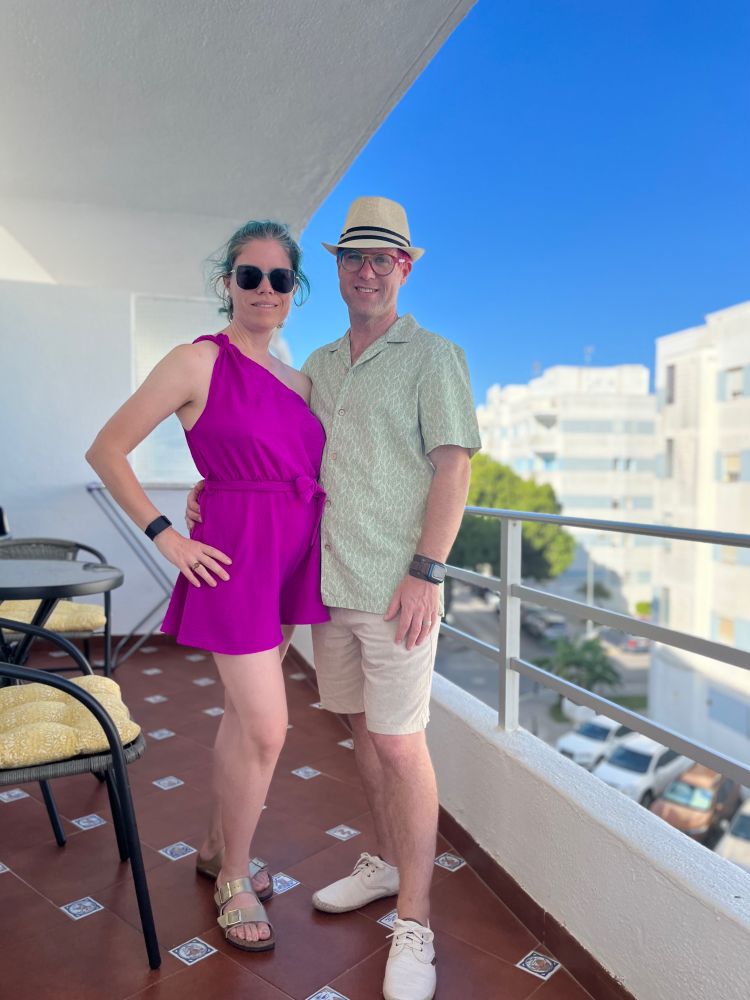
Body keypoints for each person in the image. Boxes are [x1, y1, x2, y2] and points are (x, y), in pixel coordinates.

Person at [189, 197, 481, 1000]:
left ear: (405, 267)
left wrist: (428, 570)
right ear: (340, 270)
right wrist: (203, 494)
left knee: (399, 745)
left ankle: (414, 923)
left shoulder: (436, 357)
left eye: (383, 257)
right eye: (353, 256)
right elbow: (270, 452)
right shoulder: (314, 364)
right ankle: (385, 866)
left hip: (398, 591)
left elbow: (453, 468)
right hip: (322, 585)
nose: (367, 269)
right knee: (359, 734)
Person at [86, 220, 329, 953]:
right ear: (227, 282)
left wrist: (213, 482)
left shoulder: (302, 380)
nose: (263, 290)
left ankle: (216, 847)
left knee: (239, 715)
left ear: (293, 293)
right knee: (266, 726)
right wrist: (170, 536)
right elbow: (108, 448)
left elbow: (282, 457)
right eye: (249, 276)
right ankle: (235, 876)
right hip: (231, 560)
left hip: (290, 554)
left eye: (279, 279)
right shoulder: (197, 360)